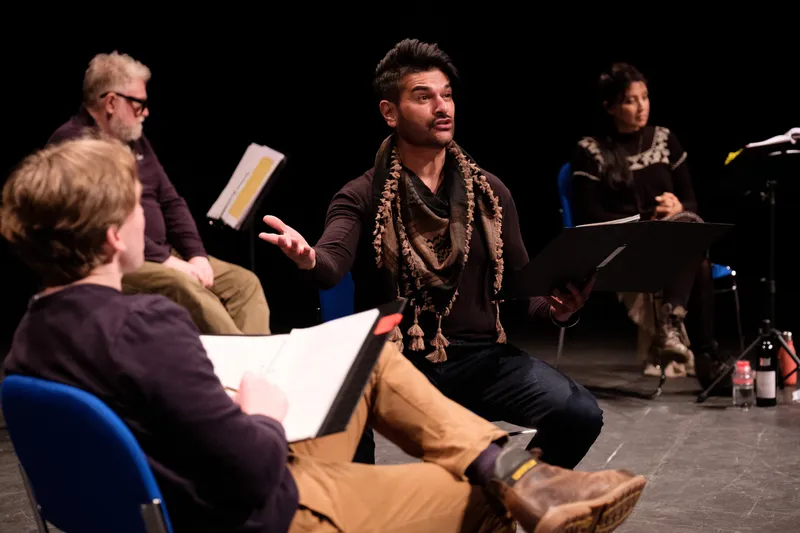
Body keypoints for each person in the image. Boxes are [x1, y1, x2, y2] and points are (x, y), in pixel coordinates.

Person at [0, 138, 647, 532]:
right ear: (115, 236)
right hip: (266, 508)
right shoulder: (146, 322)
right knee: (482, 500)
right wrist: (260, 413)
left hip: (197, 488)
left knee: (367, 357)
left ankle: (517, 469)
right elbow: (253, 465)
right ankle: (511, 483)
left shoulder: (32, 335)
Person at [259, 39, 603, 469]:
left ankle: (514, 493)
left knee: (580, 413)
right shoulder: (363, 195)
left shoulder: (490, 194)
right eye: (424, 97)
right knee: (350, 406)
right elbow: (330, 264)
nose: (443, 107)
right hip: (398, 363)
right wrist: (308, 258)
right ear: (390, 112)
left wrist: (560, 310)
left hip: (481, 357)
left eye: (447, 95)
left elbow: (522, 288)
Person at [46, 50, 270, 335]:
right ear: (111, 102)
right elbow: (98, 223)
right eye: (139, 104)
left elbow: (170, 200)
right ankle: (245, 370)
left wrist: (196, 254)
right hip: (112, 259)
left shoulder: (134, 139)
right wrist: (166, 261)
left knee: (244, 283)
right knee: (183, 286)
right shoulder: (73, 145)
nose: (146, 112)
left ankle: (254, 366)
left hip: (160, 252)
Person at [569, 62, 724, 385]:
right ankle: (705, 354)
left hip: (671, 241)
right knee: (698, 260)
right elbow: (588, 216)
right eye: (630, 100)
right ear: (610, 106)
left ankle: (673, 324)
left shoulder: (665, 139)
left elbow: (692, 203)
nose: (642, 107)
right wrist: (645, 219)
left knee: (691, 234)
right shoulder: (591, 150)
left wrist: (678, 205)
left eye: (645, 97)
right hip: (622, 246)